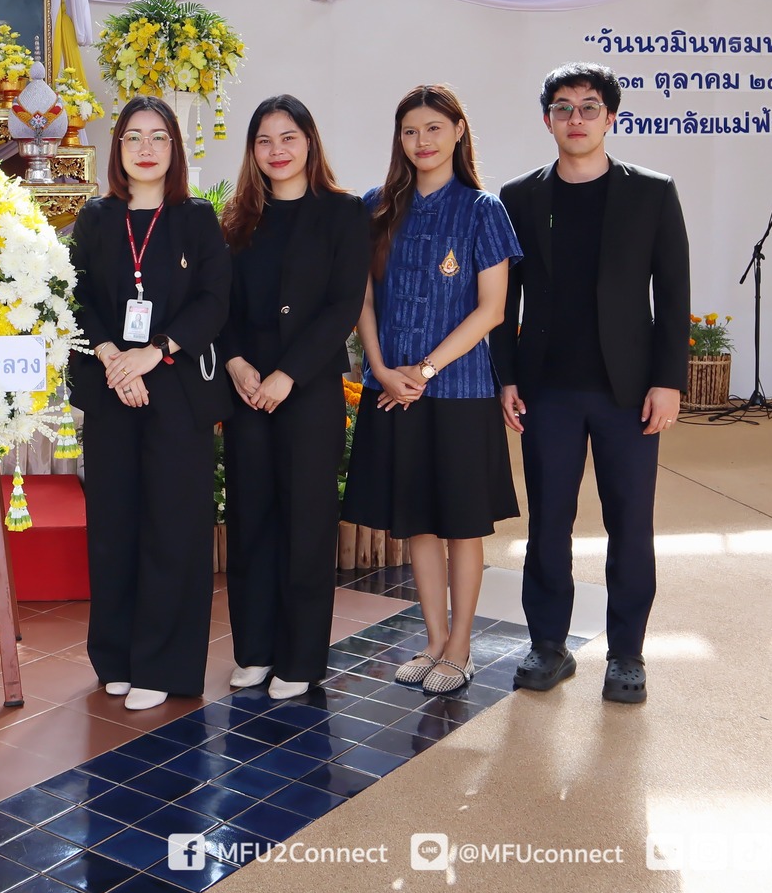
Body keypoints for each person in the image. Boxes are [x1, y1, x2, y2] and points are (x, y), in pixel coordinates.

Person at [492, 63, 689, 706]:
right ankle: (548, 645)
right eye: (562, 107)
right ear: (546, 117)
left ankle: (626, 654)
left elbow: (673, 294)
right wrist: (507, 377)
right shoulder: (519, 197)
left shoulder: (652, 193)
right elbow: (502, 299)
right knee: (549, 523)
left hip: (627, 391)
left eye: (588, 107)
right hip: (547, 389)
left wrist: (668, 381)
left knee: (630, 522)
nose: (575, 119)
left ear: (611, 117)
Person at [344, 85, 521, 697]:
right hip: (391, 388)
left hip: (460, 392)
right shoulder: (377, 207)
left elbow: (492, 310)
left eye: (434, 129)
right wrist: (380, 366)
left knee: (461, 525)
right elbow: (362, 298)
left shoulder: (482, 210)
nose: (422, 141)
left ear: (458, 132)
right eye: (411, 131)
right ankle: (433, 639)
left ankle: (463, 646)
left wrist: (424, 371)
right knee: (417, 521)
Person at [68, 96, 231, 711]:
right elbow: (74, 296)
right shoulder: (96, 219)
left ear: (174, 148)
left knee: (173, 529)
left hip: (176, 393)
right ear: (118, 149)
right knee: (113, 526)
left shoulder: (196, 219)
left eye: (158, 137)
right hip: (111, 390)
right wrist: (113, 356)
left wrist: (156, 352)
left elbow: (215, 301)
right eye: (133, 136)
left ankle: (164, 665)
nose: (145, 148)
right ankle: (115, 656)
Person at [218, 96, 371, 700]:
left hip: (305, 394)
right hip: (247, 391)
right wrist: (235, 363)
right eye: (264, 140)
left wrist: (289, 374)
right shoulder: (236, 219)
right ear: (252, 151)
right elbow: (219, 305)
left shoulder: (343, 213)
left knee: (306, 525)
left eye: (289, 136)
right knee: (251, 521)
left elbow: (342, 307)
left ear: (310, 141)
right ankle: (254, 651)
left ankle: (301, 659)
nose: (277, 150)